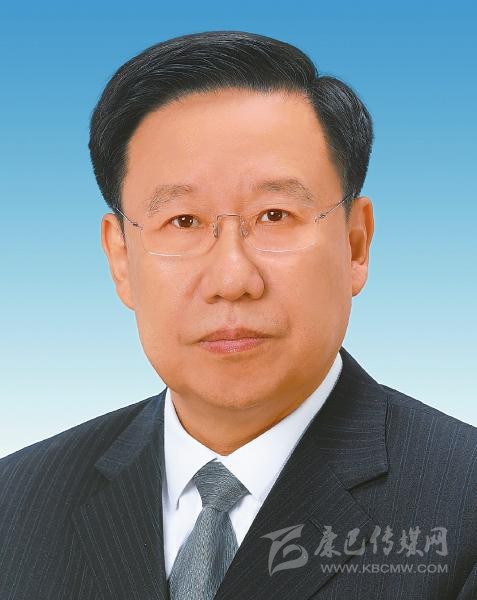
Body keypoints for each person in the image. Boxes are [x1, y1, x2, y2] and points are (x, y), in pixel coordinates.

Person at [0, 30, 476, 600]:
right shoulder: (15, 503)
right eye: (183, 222)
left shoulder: (463, 505)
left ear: (355, 244)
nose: (232, 280)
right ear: (120, 258)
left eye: (274, 215)